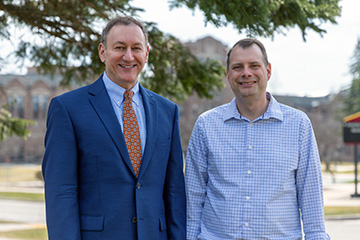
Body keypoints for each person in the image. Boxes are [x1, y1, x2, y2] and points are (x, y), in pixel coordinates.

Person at [42, 16, 186, 240]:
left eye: (136, 48)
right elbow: (61, 192)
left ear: (146, 53)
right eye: (119, 47)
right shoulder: (68, 109)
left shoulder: (167, 111)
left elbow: (174, 191)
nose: (128, 56)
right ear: (102, 52)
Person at [185, 38, 330, 240]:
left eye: (254, 65)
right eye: (238, 67)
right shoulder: (206, 125)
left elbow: (311, 197)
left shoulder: (298, 125)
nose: (246, 73)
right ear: (228, 75)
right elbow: (193, 197)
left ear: (268, 71)